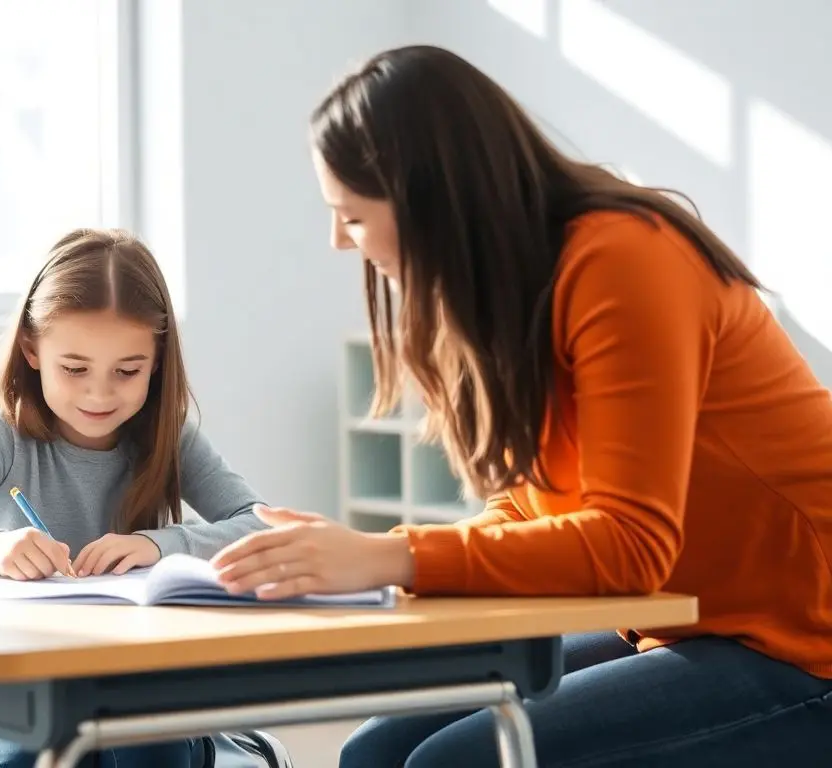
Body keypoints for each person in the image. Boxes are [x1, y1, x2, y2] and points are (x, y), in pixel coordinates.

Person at [210, 45, 832, 767]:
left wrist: (389, 557)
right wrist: (363, 562)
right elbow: (536, 512)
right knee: (376, 750)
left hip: (805, 640)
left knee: (453, 763)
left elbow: (631, 543)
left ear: (426, 197)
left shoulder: (623, 261)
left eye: (350, 217)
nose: (338, 241)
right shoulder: (510, 293)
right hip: (691, 624)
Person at [0, 227, 267, 768]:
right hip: (10, 692)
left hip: (132, 681)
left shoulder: (167, 436)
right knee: (43, 755)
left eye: (127, 371)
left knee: (155, 755)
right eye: (75, 368)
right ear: (31, 349)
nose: (99, 393)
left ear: (157, 361)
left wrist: (162, 545)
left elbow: (263, 525)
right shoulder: (4, 433)